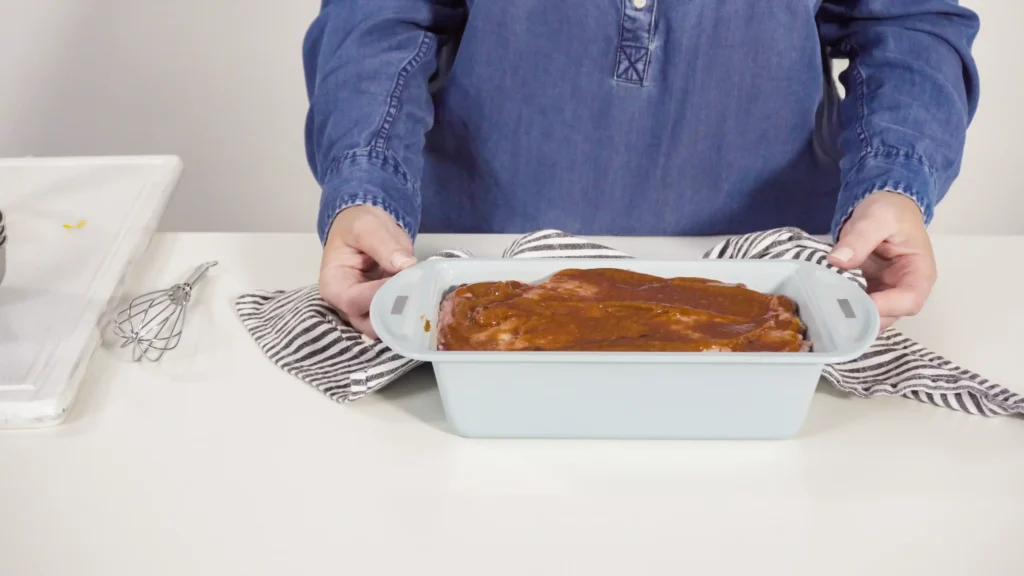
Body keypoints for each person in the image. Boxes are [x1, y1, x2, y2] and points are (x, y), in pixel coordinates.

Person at [302, 0, 979, 337]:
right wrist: (368, 189)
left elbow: (906, 24)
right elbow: (380, 18)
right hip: (472, 273)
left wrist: (895, 184)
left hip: (783, 289)